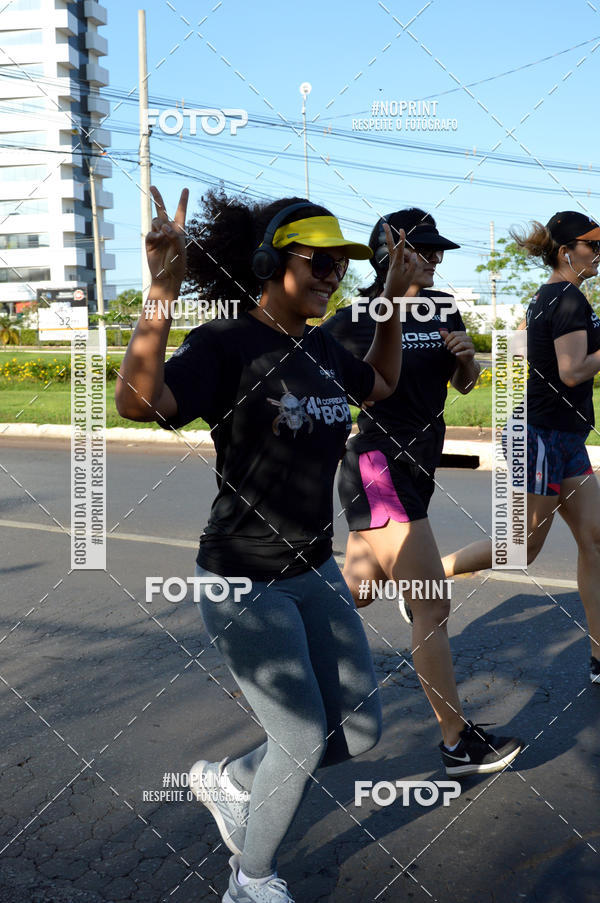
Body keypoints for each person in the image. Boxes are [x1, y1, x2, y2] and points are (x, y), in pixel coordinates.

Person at [115, 186, 418, 903]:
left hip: (313, 570)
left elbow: (380, 382)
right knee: (302, 735)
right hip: (242, 577)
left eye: (341, 266)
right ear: (269, 263)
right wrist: (161, 291)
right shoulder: (226, 343)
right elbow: (137, 401)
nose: (331, 277)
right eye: (318, 262)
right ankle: (249, 880)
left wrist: (391, 303)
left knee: (361, 731)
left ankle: (233, 779)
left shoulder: (321, 344)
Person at [322, 208, 524, 776]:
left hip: (418, 468)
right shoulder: (357, 317)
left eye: (438, 251)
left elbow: (461, 382)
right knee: (430, 602)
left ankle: (277, 640)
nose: (436, 259)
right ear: (390, 255)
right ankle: (457, 743)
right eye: (425, 250)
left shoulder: (441, 307)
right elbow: (328, 384)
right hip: (377, 467)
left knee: (358, 592)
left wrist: (466, 363)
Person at [443, 211, 600, 686]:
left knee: (595, 539)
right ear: (566, 251)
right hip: (539, 435)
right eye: (593, 245)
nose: (599, 254)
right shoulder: (565, 297)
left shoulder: (555, 295)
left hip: (566, 435)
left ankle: (599, 656)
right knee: (521, 549)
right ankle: (429, 576)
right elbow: (573, 371)